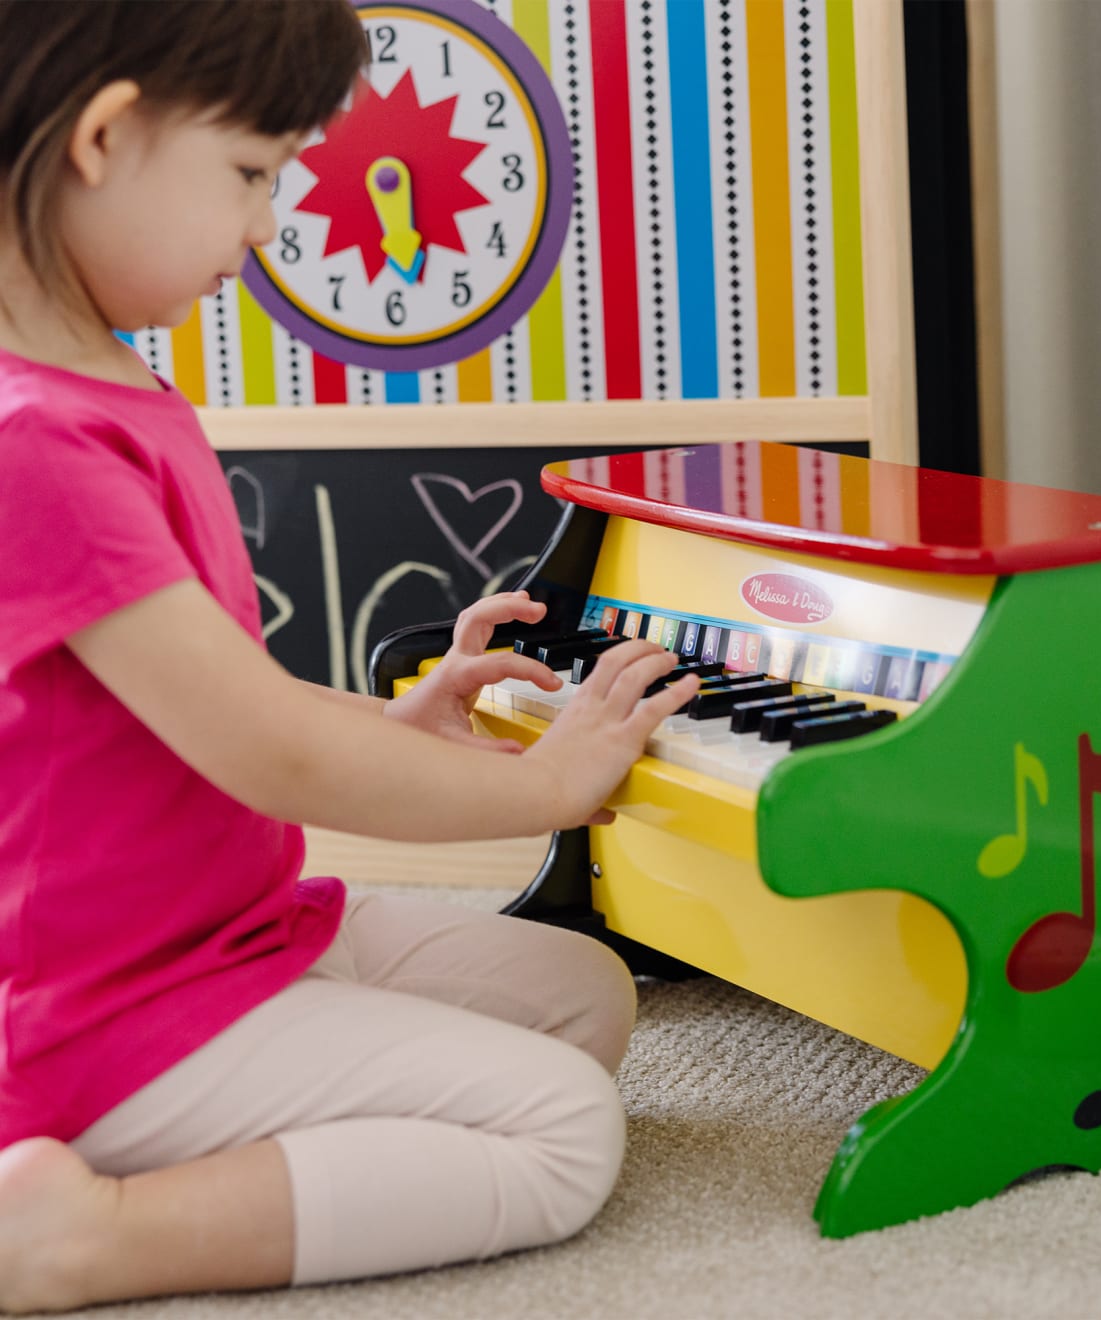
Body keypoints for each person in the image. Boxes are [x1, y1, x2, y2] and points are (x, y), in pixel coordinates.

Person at [0, 2, 701, 1312]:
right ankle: (72, 1233)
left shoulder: (110, 384)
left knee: (582, 1000)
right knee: (559, 1131)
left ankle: (214, 1138)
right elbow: (265, 755)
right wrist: (545, 791)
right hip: (104, 1011)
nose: (268, 227)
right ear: (103, 137)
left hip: (228, 931)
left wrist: (405, 717)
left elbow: (219, 697)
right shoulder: (35, 442)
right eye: (253, 173)